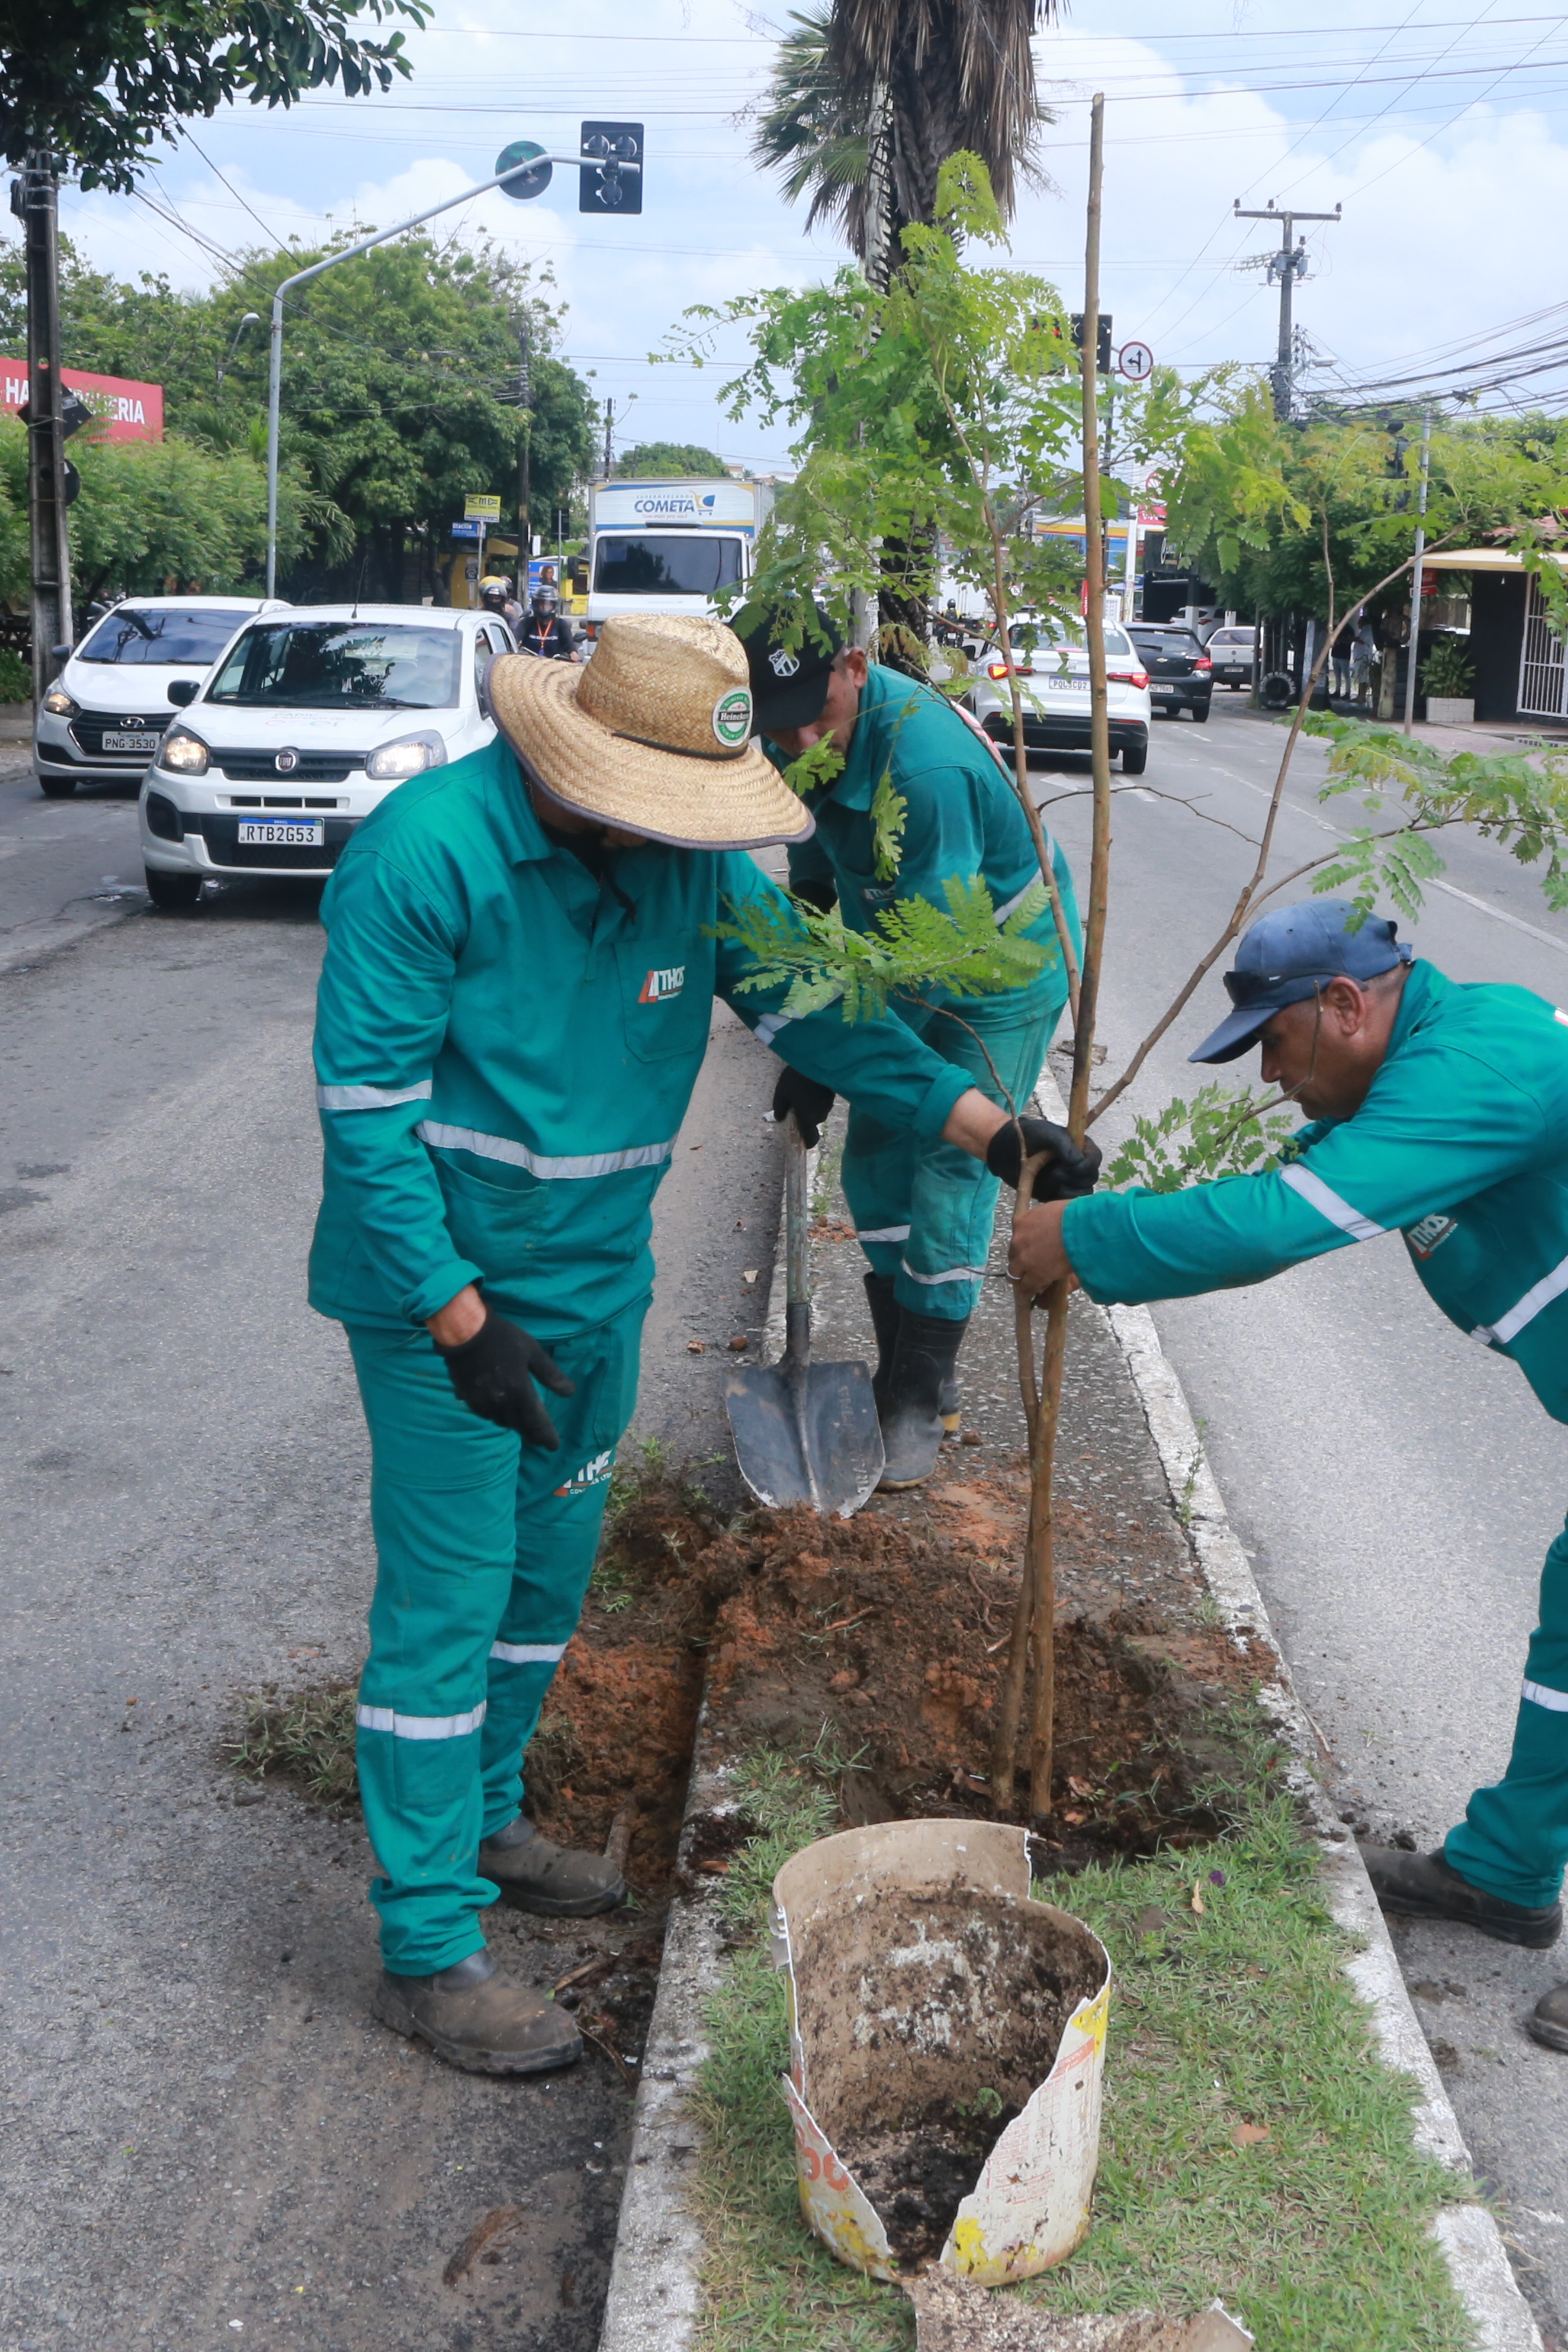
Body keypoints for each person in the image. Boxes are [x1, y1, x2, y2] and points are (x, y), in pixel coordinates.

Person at [312, 614, 1098, 2075]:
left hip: (598, 1284)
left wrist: (998, 1130)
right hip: (452, 1304)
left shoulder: (690, 871)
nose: (682, 835)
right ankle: (427, 1948)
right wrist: (460, 1318)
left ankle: (487, 1821)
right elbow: (364, 1120)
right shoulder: (425, 856)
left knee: (545, 1581)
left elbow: (830, 1015)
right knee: (447, 1600)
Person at [1008, 900, 1568, 2057]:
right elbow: (1289, 1194)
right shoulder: (1421, 1074)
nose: (1272, 1078)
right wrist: (1113, 1229)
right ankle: (1505, 1876)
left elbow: (1286, 1222)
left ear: (1347, 1004)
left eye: (1276, 1043)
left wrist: (1083, 1240)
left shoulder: (1481, 1070)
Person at [737, 608, 1078, 1482]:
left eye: (818, 715)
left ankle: (921, 1395)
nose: (803, 741)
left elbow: (942, 949)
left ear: (855, 667)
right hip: (893, 966)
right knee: (876, 1160)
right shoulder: (788, 741)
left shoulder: (924, 767)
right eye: (781, 726)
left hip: (996, 968)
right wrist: (811, 1035)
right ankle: (904, 1361)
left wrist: (834, 1052)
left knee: (952, 1161)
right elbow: (811, 880)